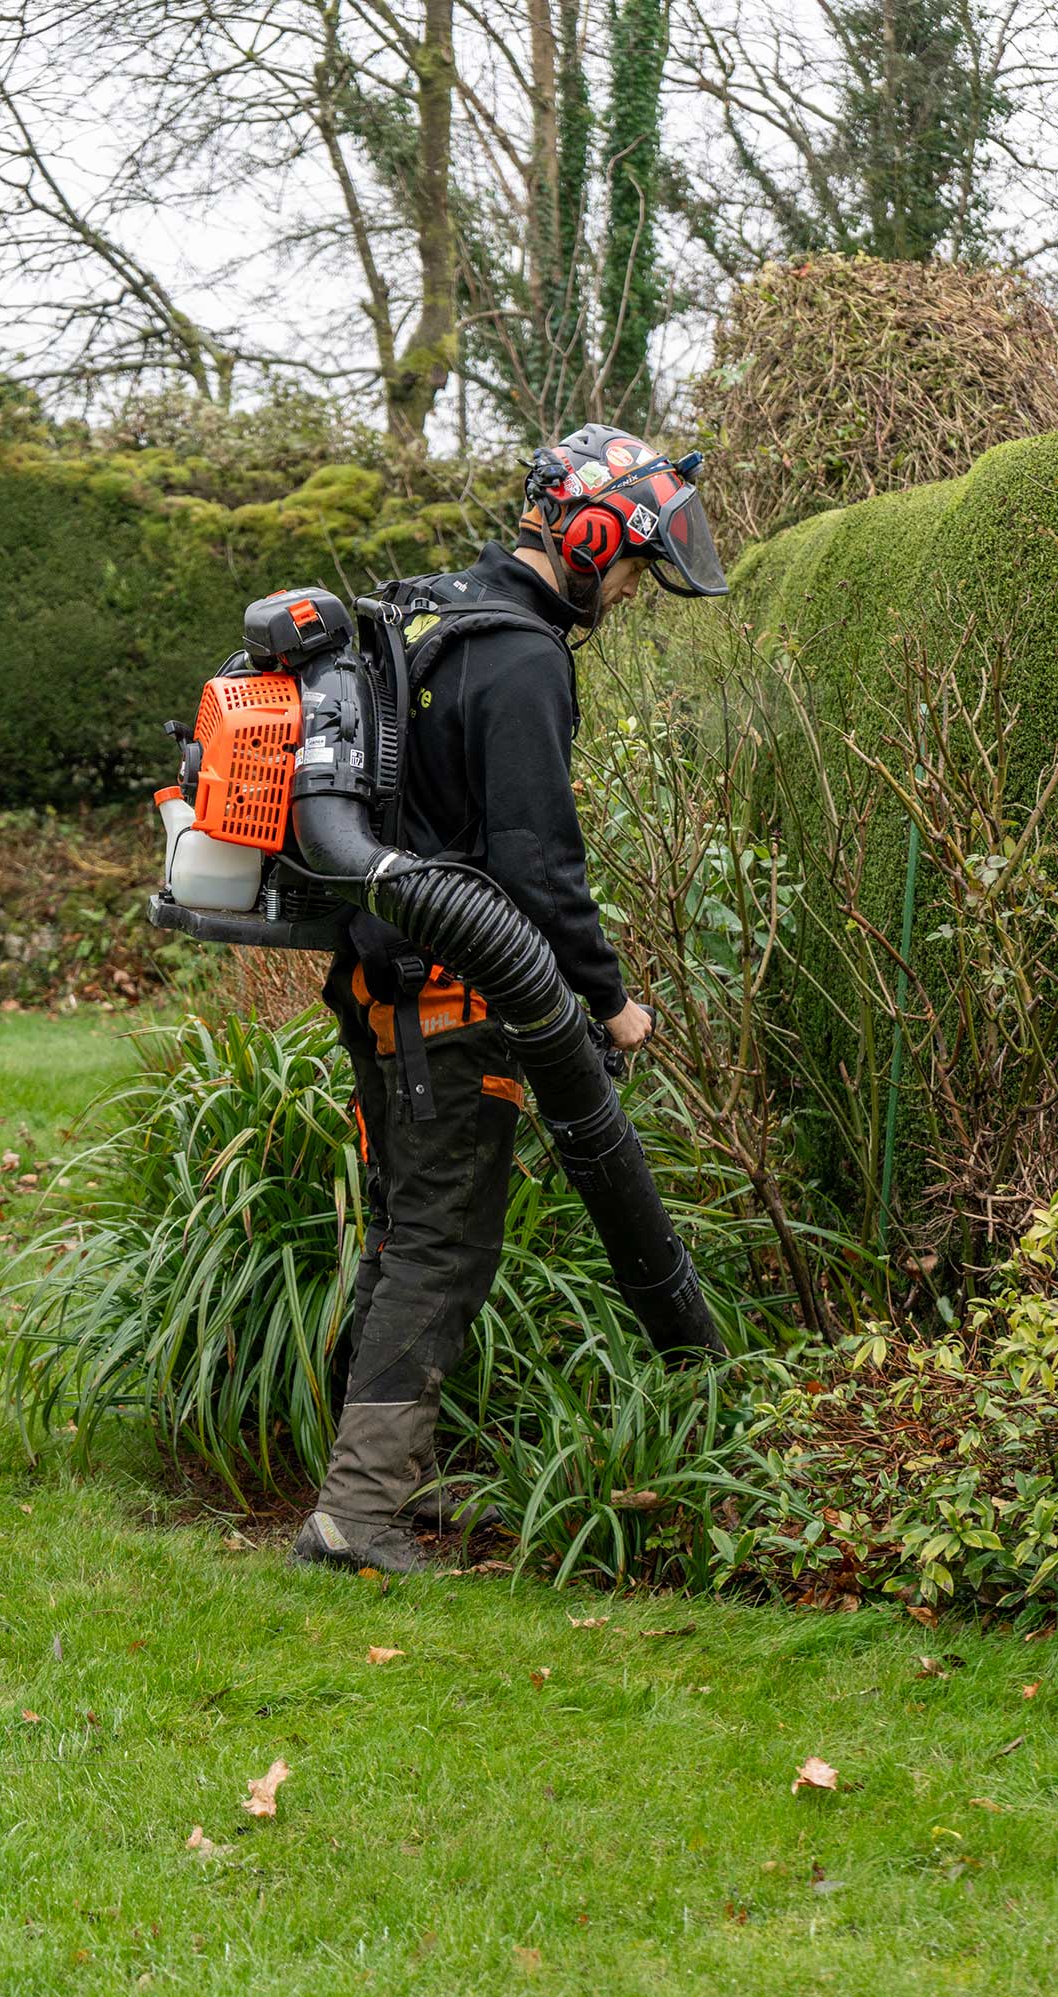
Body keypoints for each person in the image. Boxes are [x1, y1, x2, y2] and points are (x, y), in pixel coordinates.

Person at [291, 423, 726, 1575]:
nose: (631, 588)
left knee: (403, 1233)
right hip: (449, 995)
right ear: (587, 538)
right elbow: (537, 866)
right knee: (439, 1248)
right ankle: (358, 1515)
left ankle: (372, 1480)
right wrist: (613, 1000)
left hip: (385, 981)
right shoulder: (524, 657)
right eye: (633, 563)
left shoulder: (439, 617)